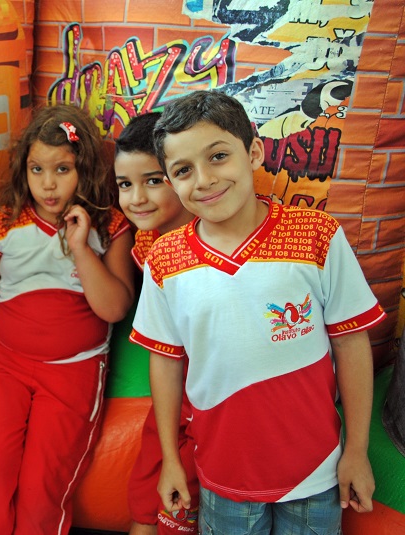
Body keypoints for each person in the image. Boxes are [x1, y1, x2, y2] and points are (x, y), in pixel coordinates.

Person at [132, 90, 385, 534]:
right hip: (223, 474)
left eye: (218, 156)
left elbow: (350, 343)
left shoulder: (317, 235)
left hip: (316, 471)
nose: (204, 179)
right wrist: (171, 460)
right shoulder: (165, 259)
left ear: (253, 152)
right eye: (184, 170)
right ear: (171, 181)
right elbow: (166, 363)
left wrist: (356, 451)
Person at [0, 104, 135, 534]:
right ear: (24, 170)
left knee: (41, 488)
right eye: (37, 170)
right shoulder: (2, 225)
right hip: (3, 366)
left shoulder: (110, 227)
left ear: (84, 169)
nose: (48, 184)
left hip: (73, 372)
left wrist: (81, 246)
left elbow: (114, 309)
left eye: (62, 169)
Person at [114, 112, 197, 535]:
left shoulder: (209, 237)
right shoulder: (146, 240)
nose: (136, 198)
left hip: (210, 399)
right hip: (171, 398)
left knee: (179, 511)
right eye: (125, 184)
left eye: (152, 181)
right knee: (147, 498)